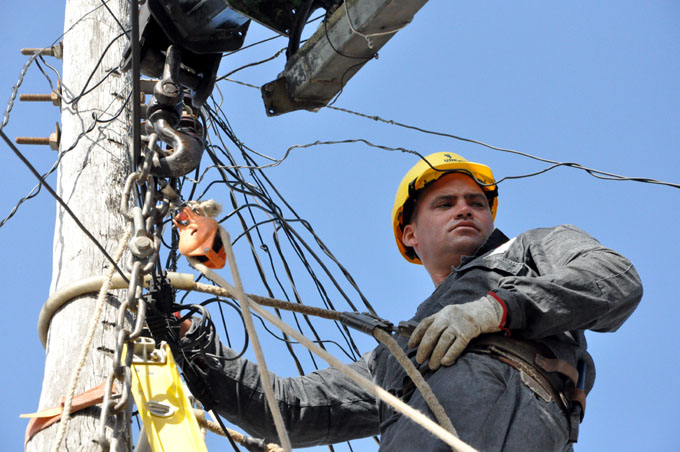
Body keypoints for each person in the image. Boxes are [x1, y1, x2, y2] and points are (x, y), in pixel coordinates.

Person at [175, 152, 642, 451]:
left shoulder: (531, 248)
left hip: (520, 414)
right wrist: (192, 340)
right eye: (445, 204)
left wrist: (494, 309)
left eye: (476, 203)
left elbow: (614, 278)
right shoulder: (400, 351)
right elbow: (290, 411)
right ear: (409, 234)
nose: (466, 209)